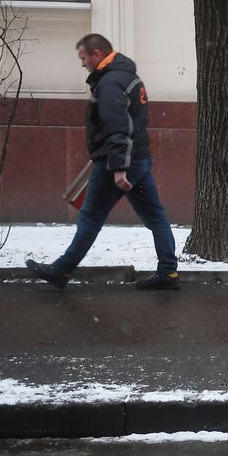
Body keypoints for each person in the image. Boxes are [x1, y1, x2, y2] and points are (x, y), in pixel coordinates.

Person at [26, 34, 180, 291]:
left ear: (97, 54)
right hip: (139, 159)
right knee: (156, 217)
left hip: (116, 163)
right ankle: (169, 272)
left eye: (83, 57)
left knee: (91, 216)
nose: (82, 63)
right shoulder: (128, 77)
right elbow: (136, 122)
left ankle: (61, 271)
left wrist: (119, 168)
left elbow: (117, 126)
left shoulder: (110, 82)